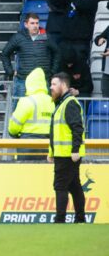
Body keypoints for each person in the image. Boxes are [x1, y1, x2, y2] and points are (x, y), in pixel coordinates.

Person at [48, 72, 87, 224]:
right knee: (74, 186)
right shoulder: (62, 104)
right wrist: (51, 152)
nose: (51, 87)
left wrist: (75, 150)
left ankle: (60, 220)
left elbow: (77, 129)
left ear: (63, 85)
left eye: (54, 84)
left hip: (68, 154)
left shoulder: (69, 103)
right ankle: (80, 219)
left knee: (60, 185)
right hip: (63, 153)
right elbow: (56, 132)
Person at [1, 13, 61, 100]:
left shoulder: (46, 36)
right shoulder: (18, 37)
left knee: (44, 108)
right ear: (26, 24)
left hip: (43, 81)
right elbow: (5, 54)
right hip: (23, 80)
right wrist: (10, 71)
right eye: (32, 23)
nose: (35, 26)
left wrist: (52, 71)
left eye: (37, 23)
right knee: (20, 109)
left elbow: (57, 52)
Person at [8, 67, 55, 160]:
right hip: (49, 145)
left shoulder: (26, 101)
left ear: (29, 83)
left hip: (27, 146)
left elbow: (13, 127)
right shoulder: (52, 102)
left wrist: (14, 134)